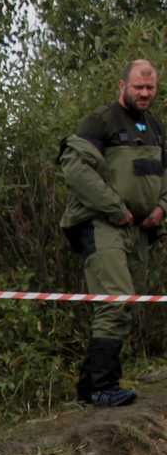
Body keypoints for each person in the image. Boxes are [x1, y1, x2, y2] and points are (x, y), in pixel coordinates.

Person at [59, 58, 167, 407]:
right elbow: (74, 168)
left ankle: (89, 388)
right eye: (139, 86)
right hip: (103, 224)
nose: (145, 93)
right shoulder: (101, 120)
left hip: (140, 231)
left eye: (150, 88)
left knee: (128, 304)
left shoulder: (155, 127)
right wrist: (115, 208)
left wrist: (161, 207)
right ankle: (104, 387)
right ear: (122, 86)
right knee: (116, 299)